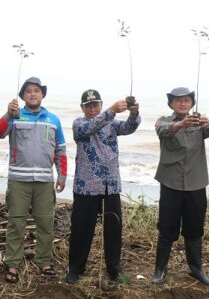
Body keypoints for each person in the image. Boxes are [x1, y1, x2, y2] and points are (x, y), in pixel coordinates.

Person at [0, 77, 66, 283]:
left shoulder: (53, 119)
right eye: (28, 91)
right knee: (16, 223)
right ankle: (13, 263)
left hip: (45, 181)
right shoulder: (15, 116)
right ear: (23, 96)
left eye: (36, 91)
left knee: (45, 223)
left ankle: (44, 261)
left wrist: (61, 175)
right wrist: (8, 114)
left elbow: (60, 149)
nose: (32, 94)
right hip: (18, 180)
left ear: (42, 94)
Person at [66, 89, 140, 284]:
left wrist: (133, 112)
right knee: (81, 229)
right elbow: (90, 127)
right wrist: (111, 110)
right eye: (88, 106)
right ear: (82, 108)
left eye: (95, 105)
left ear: (100, 105)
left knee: (113, 230)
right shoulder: (79, 124)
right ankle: (75, 268)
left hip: (111, 185)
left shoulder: (112, 124)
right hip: (86, 186)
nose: (92, 109)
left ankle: (114, 269)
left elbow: (130, 127)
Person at [152, 87, 209, 286]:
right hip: (171, 183)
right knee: (167, 228)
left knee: (195, 229)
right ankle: (160, 269)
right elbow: (161, 130)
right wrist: (180, 124)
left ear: (192, 103)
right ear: (171, 103)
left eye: (187, 100)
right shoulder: (164, 120)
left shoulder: (198, 122)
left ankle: (196, 268)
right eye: (178, 100)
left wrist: (208, 123)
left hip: (196, 184)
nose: (183, 103)